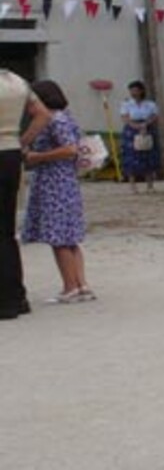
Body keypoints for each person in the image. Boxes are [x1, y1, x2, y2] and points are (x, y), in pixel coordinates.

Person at [23, 81, 92, 304]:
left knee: (59, 237)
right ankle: (81, 284)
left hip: (55, 181)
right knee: (69, 237)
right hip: (65, 181)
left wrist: (37, 157)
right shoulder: (65, 116)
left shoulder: (54, 119)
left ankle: (70, 286)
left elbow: (69, 149)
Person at [2, 70, 52, 321]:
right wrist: (22, 141)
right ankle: (15, 296)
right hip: (10, 153)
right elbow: (42, 115)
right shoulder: (16, 81)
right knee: (7, 231)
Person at [118, 81, 160, 193]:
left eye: (135, 90)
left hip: (147, 129)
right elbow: (125, 118)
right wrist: (136, 126)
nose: (133, 93)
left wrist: (145, 124)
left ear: (141, 91)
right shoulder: (126, 104)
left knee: (148, 156)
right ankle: (133, 185)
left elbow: (155, 116)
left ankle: (150, 185)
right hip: (131, 131)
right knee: (132, 157)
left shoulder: (150, 104)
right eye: (131, 91)